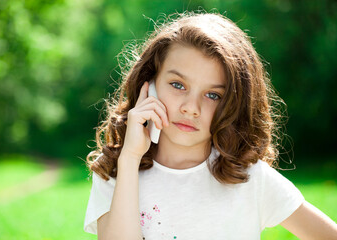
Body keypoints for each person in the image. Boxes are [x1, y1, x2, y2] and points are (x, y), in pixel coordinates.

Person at [83, 11, 337, 240]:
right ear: (148, 86)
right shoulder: (115, 172)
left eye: (213, 95)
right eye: (178, 85)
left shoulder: (250, 178)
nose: (191, 107)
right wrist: (130, 158)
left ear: (234, 104)